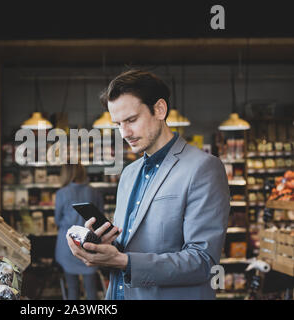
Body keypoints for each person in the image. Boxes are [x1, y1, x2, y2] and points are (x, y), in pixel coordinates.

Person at [66, 69, 230, 300]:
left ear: (160, 109)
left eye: (132, 120)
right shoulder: (129, 173)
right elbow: (128, 249)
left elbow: (202, 262)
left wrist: (123, 260)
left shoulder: (203, 168)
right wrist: (98, 247)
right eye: (118, 124)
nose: (124, 133)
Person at [54, 163, 104, 300]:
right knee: (91, 289)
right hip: (89, 244)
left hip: (68, 245)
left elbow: (57, 220)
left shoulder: (61, 193)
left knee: (72, 288)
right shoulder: (95, 192)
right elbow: (100, 220)